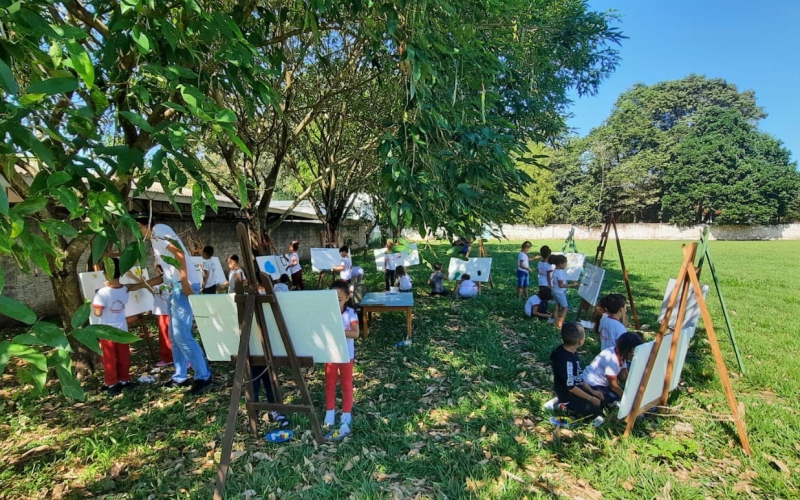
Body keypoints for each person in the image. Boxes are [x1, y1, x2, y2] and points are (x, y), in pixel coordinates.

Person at [134, 215, 213, 395]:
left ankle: (203, 376)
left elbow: (179, 254)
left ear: (145, 224)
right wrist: (137, 285)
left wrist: (184, 282)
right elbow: (166, 272)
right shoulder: (155, 239)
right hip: (172, 289)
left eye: (138, 227)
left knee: (182, 335)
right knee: (174, 335)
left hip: (180, 288)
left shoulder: (159, 229)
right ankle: (180, 375)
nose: (138, 232)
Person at [92, 258, 154, 395]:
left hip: (107, 332)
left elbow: (97, 313)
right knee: (123, 356)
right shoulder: (125, 289)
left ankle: (112, 383)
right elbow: (136, 286)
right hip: (122, 330)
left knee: (109, 359)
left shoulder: (101, 293)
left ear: (105, 274)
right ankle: (124, 379)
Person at [324, 280, 360, 439]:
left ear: (347, 298)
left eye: (338, 299)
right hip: (331, 354)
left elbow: (355, 333)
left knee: (346, 384)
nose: (335, 302)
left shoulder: (351, 313)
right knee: (330, 383)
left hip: (346, 355)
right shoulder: (326, 312)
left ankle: (346, 413)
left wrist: (338, 330)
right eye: (331, 298)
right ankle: (330, 411)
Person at [549, 322, 604, 418]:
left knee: (602, 400)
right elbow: (571, 387)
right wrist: (590, 398)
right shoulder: (566, 360)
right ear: (581, 341)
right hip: (567, 395)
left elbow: (578, 376)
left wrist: (592, 391)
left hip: (578, 389)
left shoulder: (572, 353)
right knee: (596, 415)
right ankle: (561, 405)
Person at [583, 332, 643, 404]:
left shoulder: (620, 354)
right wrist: (627, 399)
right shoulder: (611, 360)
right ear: (626, 350)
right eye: (633, 353)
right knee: (615, 398)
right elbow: (613, 386)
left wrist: (633, 385)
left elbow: (624, 373)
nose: (634, 355)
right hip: (593, 383)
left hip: (602, 383)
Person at [152, 265, 173, 368]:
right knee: (164, 336)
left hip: (168, 311)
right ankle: (167, 357)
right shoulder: (159, 282)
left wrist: (135, 279)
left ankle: (177, 357)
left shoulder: (167, 280)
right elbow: (150, 288)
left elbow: (146, 286)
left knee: (170, 336)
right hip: (162, 312)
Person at [551, 254, 578, 329]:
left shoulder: (555, 270)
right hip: (559, 292)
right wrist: (573, 285)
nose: (566, 265)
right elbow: (561, 285)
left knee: (556, 306)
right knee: (565, 308)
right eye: (565, 263)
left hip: (554, 290)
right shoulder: (559, 273)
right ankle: (560, 324)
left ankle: (555, 322)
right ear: (561, 263)